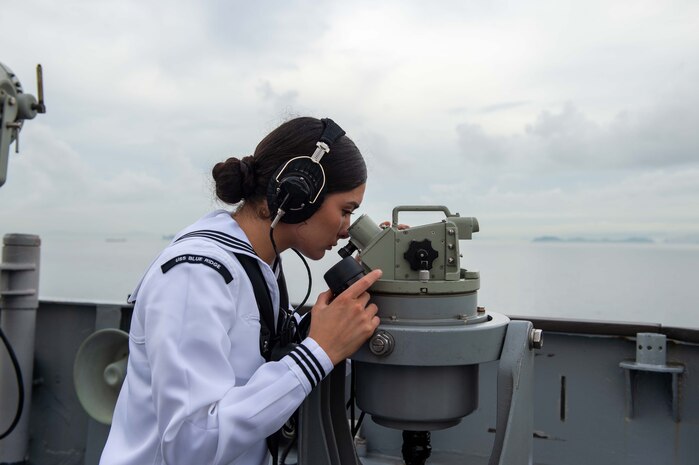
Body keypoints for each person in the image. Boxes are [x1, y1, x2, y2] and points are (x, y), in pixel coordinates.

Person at [99, 117, 382, 465]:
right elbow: (191, 444)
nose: (346, 230)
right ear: (299, 195)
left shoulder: (257, 265)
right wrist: (316, 353)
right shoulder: (196, 273)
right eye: (345, 211)